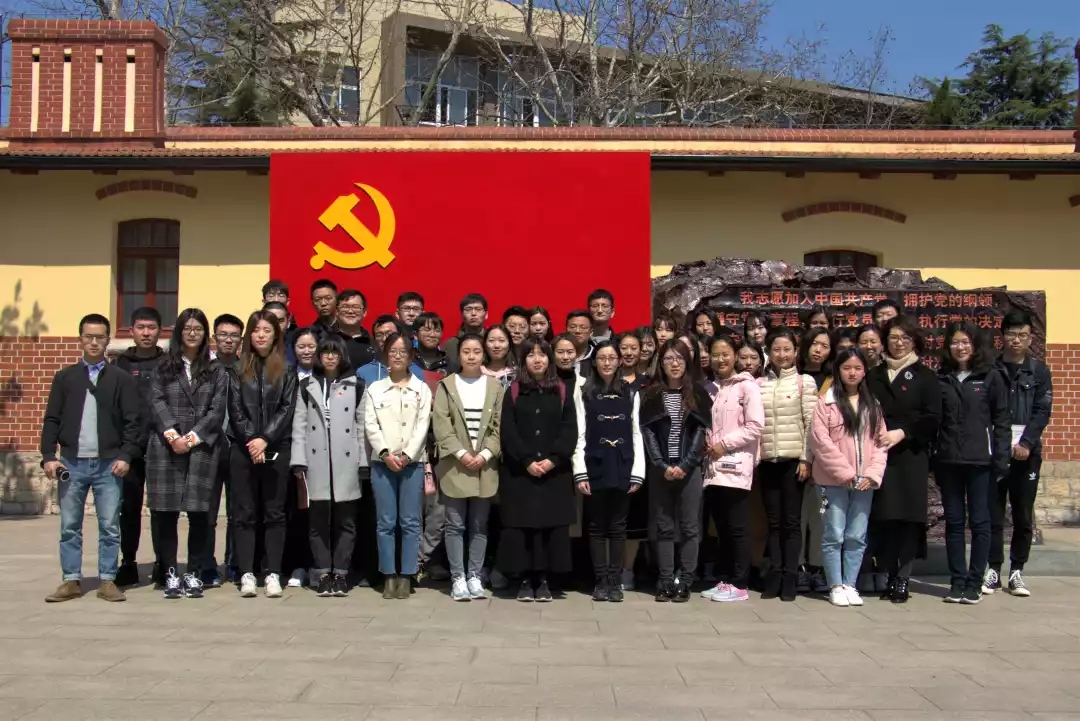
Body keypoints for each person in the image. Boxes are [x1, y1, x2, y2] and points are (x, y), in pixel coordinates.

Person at [42, 314, 141, 603]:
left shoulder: (120, 379)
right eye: (89, 336)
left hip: (109, 464)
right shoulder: (65, 378)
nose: (94, 342)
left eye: (100, 337)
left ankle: (107, 580)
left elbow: (133, 422)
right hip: (71, 463)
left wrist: (126, 455)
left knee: (109, 526)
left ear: (108, 340)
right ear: (80, 339)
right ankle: (71, 580)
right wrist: (48, 456)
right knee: (69, 525)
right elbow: (52, 418)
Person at [145, 309, 228, 599]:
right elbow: (156, 401)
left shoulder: (216, 370)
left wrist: (191, 439)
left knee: (199, 514)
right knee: (166, 514)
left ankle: (193, 572)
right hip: (165, 448)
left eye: (198, 329)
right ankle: (170, 572)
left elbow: (217, 410)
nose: (193, 333)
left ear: (206, 334)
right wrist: (172, 436)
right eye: (187, 328)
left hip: (201, 448)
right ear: (179, 332)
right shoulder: (163, 365)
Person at [935, 322, 1011, 605]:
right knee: (954, 522)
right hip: (948, 461)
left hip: (981, 462)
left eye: (965, 342)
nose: (960, 347)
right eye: (955, 342)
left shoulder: (991, 376)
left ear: (975, 345)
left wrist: (1001, 458)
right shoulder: (942, 377)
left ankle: (975, 582)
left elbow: (1001, 420)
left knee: (980, 522)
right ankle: (957, 581)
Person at [866, 315, 941, 603]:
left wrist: (904, 432)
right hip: (879, 455)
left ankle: (903, 577)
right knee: (885, 517)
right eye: (894, 337)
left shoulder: (925, 376)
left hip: (911, 455)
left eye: (905, 338)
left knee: (909, 518)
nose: (899, 343)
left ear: (915, 342)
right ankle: (887, 572)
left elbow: (933, 417)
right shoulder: (874, 375)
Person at [498, 338, 577, 602]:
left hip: (554, 472)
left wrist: (553, 459)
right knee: (522, 527)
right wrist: (526, 460)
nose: (537, 359)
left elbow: (570, 428)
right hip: (521, 472)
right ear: (523, 361)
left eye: (542, 354)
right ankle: (523, 579)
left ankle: (543, 579)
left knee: (547, 527)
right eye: (530, 355)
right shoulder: (513, 390)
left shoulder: (562, 389)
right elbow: (508, 430)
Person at [228, 310, 298, 598]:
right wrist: (252, 440)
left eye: (267, 330)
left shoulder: (287, 370)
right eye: (256, 330)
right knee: (244, 512)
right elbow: (235, 409)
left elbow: (286, 408)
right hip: (243, 449)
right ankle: (246, 572)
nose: (261, 335)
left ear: (275, 335)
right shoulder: (236, 369)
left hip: (276, 447)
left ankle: (272, 573)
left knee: (274, 513)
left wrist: (265, 438)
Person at [810, 348, 887, 608]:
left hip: (864, 482)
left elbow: (880, 444)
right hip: (833, 481)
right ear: (838, 371)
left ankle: (850, 584)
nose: (852, 373)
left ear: (864, 371)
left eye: (857, 368)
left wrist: (872, 474)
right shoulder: (826, 403)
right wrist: (845, 473)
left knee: (857, 535)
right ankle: (835, 584)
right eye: (846, 368)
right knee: (834, 534)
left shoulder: (872, 404)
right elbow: (820, 442)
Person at [291, 335, 364, 598]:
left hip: (346, 461)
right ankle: (322, 573)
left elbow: (361, 426)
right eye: (325, 352)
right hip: (316, 461)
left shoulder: (357, 385)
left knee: (346, 522)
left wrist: (363, 462)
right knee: (318, 522)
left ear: (343, 356)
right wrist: (298, 460)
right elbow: (299, 425)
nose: (330, 357)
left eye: (335, 352)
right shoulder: (306, 385)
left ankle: (341, 573)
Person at [432, 334, 504, 601]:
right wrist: (462, 454)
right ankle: (458, 578)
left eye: (476, 351)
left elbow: (499, 426)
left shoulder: (495, 387)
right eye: (466, 351)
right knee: (454, 525)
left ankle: (474, 575)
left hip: (485, 466)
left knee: (479, 525)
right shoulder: (446, 385)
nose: (471, 356)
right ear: (459, 355)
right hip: (455, 465)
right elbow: (441, 424)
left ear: (483, 354)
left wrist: (484, 454)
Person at [572, 340, 645, 602]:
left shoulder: (631, 392)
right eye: (602, 358)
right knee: (595, 526)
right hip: (595, 463)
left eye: (611, 358)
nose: (606, 362)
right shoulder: (585, 392)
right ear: (594, 362)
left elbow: (637, 433)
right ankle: (600, 581)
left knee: (618, 526)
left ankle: (615, 581)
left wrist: (638, 471)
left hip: (623, 462)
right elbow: (579, 433)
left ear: (619, 361)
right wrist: (580, 470)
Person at [641, 340, 713, 602]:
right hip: (661, 468)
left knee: (690, 526)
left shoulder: (698, 393)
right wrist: (662, 465)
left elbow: (700, 433)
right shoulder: (651, 394)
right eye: (669, 358)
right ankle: (665, 580)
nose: (674, 364)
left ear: (687, 363)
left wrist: (684, 465)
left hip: (689, 469)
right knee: (663, 526)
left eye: (680, 359)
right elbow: (648, 432)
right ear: (661, 363)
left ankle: (685, 580)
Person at [986, 311, 1052, 597]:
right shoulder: (990, 369)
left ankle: (1017, 571)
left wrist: (1026, 443)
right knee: (992, 513)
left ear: (1030, 338)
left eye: (1022, 335)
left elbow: (1042, 411)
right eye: (1011, 334)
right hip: (995, 450)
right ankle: (992, 569)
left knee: (1023, 514)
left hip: (1027, 452)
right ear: (1002, 336)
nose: (1016, 340)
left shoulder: (1039, 372)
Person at [364, 331, 431, 600]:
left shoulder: (421, 389)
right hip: (382, 464)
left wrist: (407, 455)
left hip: (412, 464)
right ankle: (389, 574)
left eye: (403, 351)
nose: (398, 356)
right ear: (385, 355)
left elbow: (423, 425)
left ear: (411, 356)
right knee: (386, 522)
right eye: (393, 351)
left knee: (411, 521)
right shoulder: (375, 389)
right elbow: (371, 424)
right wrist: (385, 454)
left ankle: (407, 574)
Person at [700, 336, 764, 603]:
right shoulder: (709, 388)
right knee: (723, 527)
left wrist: (724, 445)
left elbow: (755, 426)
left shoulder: (747, 387)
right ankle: (725, 580)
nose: (721, 359)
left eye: (725, 354)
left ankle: (740, 583)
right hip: (713, 467)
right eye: (716, 354)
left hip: (735, 465)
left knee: (737, 526)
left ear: (735, 356)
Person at [757, 328, 817, 601]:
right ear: (769, 352)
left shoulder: (804, 382)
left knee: (791, 522)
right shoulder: (760, 384)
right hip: (768, 460)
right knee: (773, 523)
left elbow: (811, 424)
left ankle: (791, 578)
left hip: (794, 462)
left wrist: (806, 458)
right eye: (776, 350)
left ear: (795, 352)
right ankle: (776, 575)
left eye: (787, 349)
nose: (782, 354)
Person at [114, 306, 165, 588]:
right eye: (141, 327)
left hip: (161, 446)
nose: (146, 333)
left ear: (160, 331)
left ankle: (163, 563)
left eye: (151, 328)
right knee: (129, 508)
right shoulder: (120, 365)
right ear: (132, 330)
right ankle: (129, 562)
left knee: (161, 509)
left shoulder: (169, 362)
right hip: (130, 448)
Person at [205, 313, 244, 586]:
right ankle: (206, 565)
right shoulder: (205, 370)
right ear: (214, 338)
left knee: (237, 512)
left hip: (239, 447)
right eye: (223, 335)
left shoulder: (246, 369)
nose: (228, 340)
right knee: (207, 512)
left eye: (234, 336)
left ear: (241, 340)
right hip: (209, 447)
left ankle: (235, 563)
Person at [413, 311, 450, 581]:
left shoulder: (450, 364)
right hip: (412, 444)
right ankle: (413, 561)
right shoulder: (407, 362)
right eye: (425, 329)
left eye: (436, 329)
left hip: (440, 445)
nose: (431, 333)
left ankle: (428, 558)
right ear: (415, 334)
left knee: (438, 510)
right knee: (414, 508)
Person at [615, 331, 647, 590]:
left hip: (639, 456)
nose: (628, 353)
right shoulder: (605, 381)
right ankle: (608, 569)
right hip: (609, 455)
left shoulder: (648, 384)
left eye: (633, 348)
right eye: (624, 348)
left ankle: (628, 570)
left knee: (634, 519)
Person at [357, 315, 423, 385]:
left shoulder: (414, 370)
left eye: (389, 334)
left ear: (400, 335)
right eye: (379, 335)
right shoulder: (364, 372)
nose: (384, 339)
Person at [336, 289, 376, 369]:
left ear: (364, 312)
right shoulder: (326, 339)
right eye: (345, 307)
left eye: (356, 307)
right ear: (337, 311)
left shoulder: (374, 343)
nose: (350, 311)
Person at [445, 293, 488, 366]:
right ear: (462, 315)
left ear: (486, 314)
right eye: (468, 309)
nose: (473, 313)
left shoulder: (491, 342)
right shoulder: (450, 344)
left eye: (478, 309)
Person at [565, 310, 595, 376]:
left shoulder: (597, 356)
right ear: (566, 330)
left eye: (583, 327)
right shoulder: (556, 356)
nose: (577, 331)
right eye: (573, 327)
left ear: (591, 332)